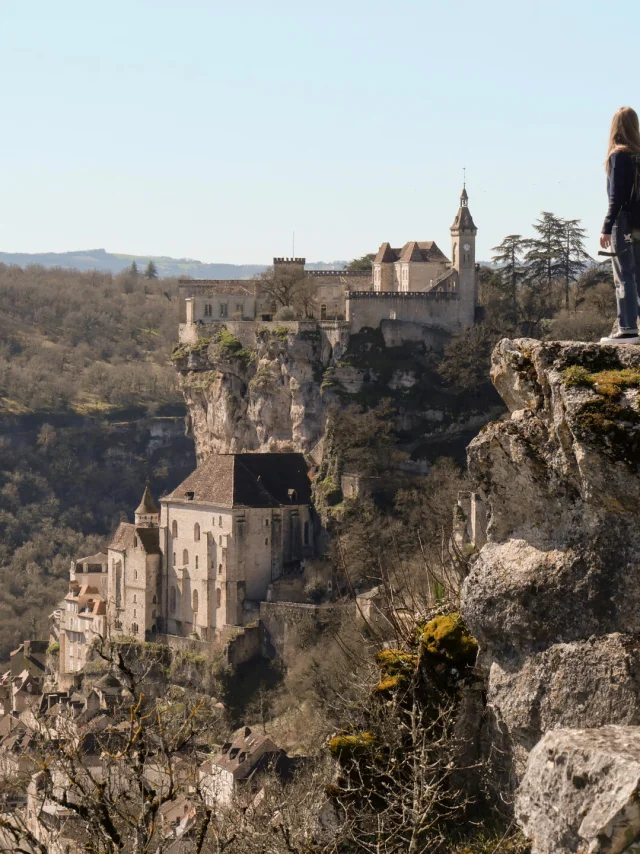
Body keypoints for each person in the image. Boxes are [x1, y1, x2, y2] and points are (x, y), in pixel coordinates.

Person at [600, 106, 640, 344]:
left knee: (623, 275)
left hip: (623, 223)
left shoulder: (618, 155)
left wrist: (607, 226)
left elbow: (616, 197)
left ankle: (627, 329)